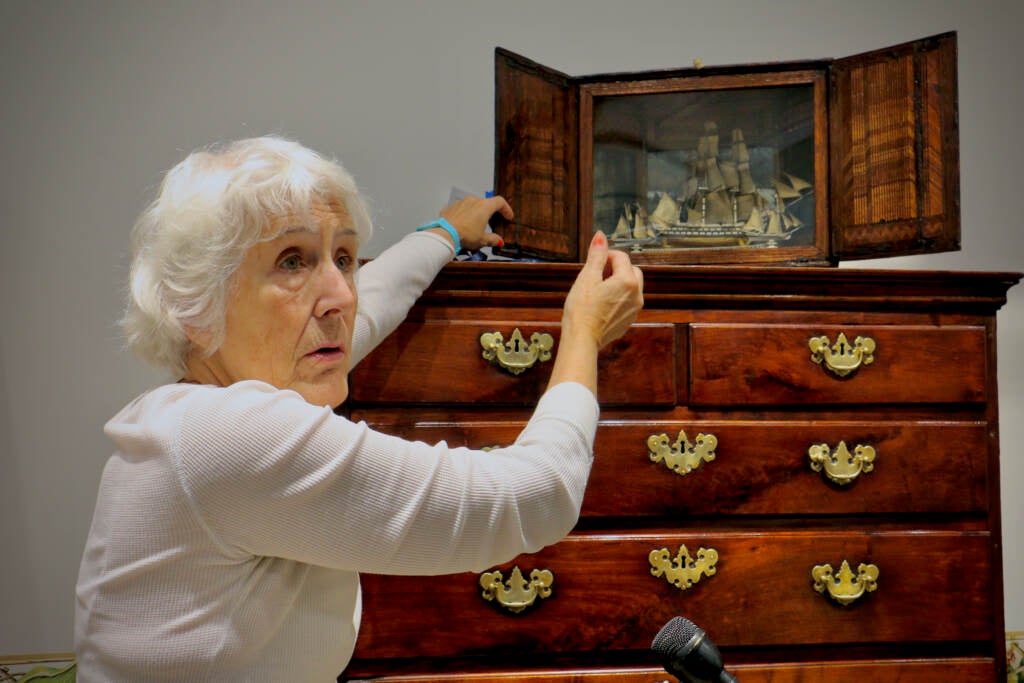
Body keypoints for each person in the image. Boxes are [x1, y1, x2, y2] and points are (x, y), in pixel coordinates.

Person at [74, 136, 644, 681]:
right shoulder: (229, 436)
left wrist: (444, 232)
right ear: (194, 307)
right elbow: (537, 495)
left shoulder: (193, 410)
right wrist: (583, 332)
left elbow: (369, 305)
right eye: (292, 261)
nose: (341, 294)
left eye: (342, 257)